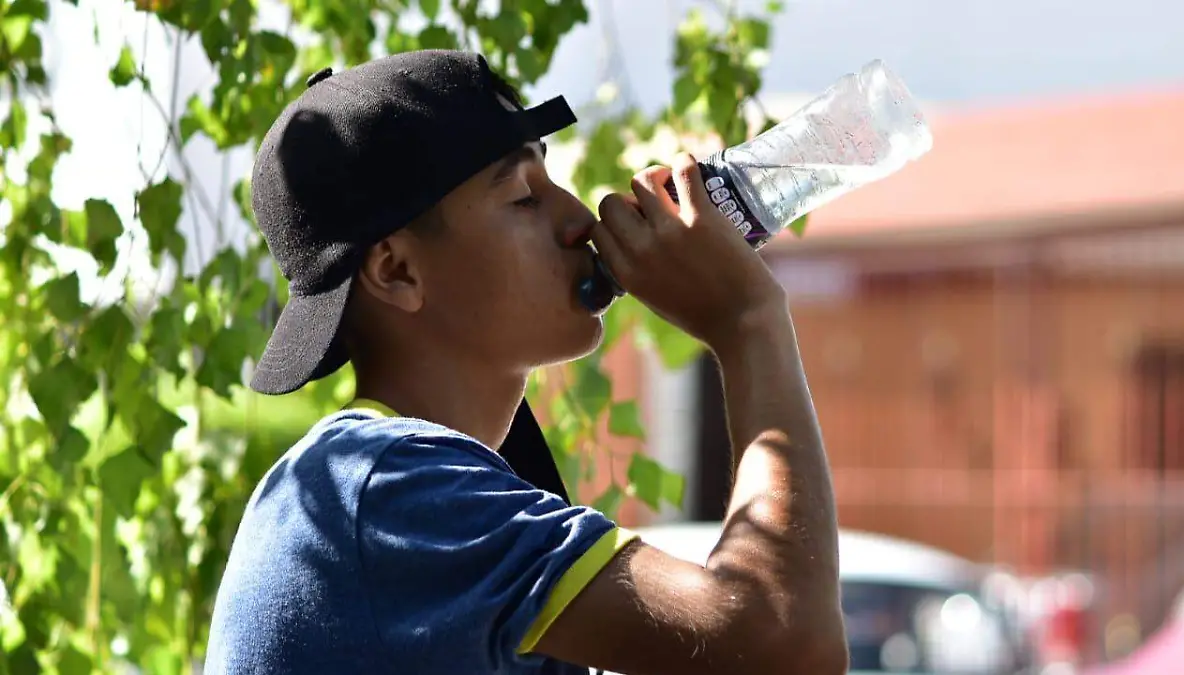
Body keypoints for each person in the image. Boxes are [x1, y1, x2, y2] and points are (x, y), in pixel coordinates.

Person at [204, 49, 848, 675]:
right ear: (397, 271)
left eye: (551, 176)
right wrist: (748, 323)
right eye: (522, 197)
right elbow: (781, 647)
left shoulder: (429, 491)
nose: (578, 216)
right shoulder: (386, 490)